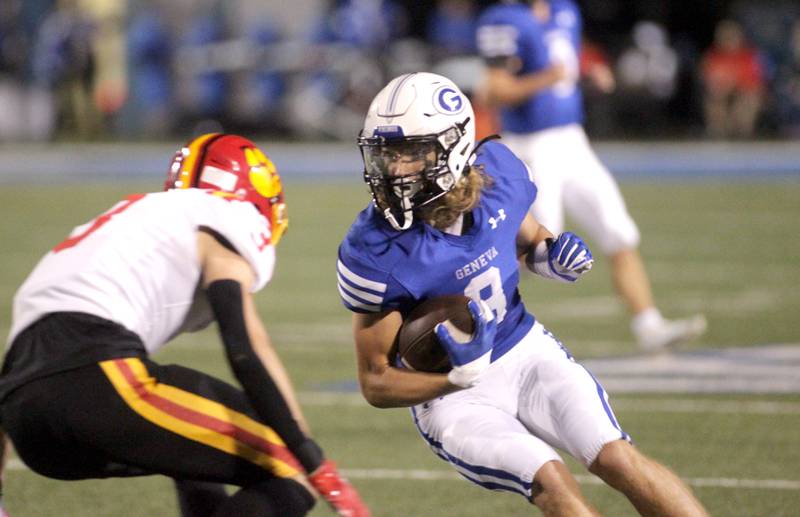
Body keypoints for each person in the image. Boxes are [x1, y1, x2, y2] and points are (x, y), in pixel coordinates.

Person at [337, 72, 708, 515]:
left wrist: (552, 258)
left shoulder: (499, 174)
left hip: (525, 350)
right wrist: (453, 378)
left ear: (453, 147)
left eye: (411, 153)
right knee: (551, 479)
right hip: (451, 399)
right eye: (386, 154)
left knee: (617, 457)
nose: (394, 169)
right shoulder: (373, 247)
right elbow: (376, 380)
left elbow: (530, 240)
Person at [0, 133, 369, 517]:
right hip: (98, 376)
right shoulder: (224, 213)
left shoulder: (131, 218)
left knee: (193, 451)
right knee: (289, 468)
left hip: (23, 417)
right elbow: (245, 347)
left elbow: (23, 361)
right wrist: (310, 455)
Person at [475, 0, 707, 351]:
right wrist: (546, 79)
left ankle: (649, 325)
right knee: (529, 248)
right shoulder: (504, 17)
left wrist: (586, 72)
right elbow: (492, 91)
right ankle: (470, 321)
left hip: (573, 141)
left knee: (618, 229)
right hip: (529, 147)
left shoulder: (564, 9)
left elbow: (563, 58)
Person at [700, 19, 766, 139]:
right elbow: (709, 81)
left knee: (749, 100)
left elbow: (755, 84)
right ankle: (718, 133)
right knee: (715, 98)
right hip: (722, 94)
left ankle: (742, 134)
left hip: (743, 94)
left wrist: (735, 86)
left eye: (732, 36)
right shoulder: (712, 56)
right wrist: (724, 87)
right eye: (725, 37)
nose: (729, 40)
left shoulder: (748, 56)